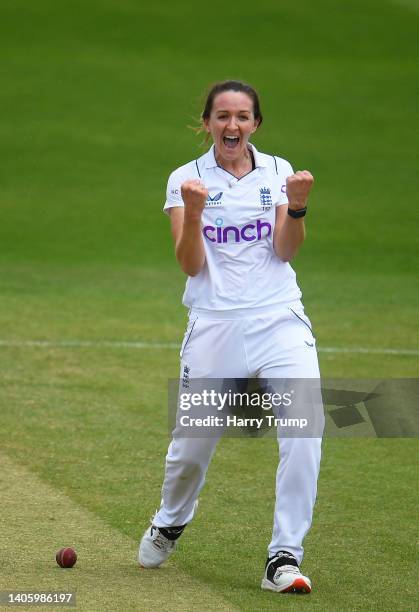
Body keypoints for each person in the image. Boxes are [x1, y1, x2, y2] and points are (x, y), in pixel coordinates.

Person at [138, 80, 324, 594]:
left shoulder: (279, 171)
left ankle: (283, 557)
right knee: (192, 446)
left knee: (305, 432)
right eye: (222, 116)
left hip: (278, 318)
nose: (232, 126)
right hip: (214, 323)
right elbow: (189, 262)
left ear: (256, 124)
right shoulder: (185, 179)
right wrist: (195, 212)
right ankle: (171, 519)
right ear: (206, 123)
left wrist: (299, 207)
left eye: (242, 116)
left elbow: (286, 251)